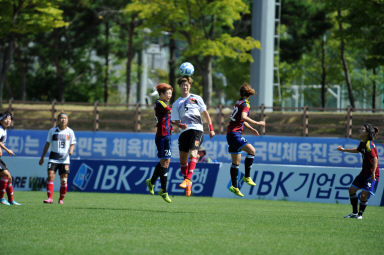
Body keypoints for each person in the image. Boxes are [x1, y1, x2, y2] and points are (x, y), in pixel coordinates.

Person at [171, 76, 215, 197]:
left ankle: (187, 180)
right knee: (182, 160)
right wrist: (180, 124)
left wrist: (211, 129)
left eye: (187, 85)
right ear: (179, 87)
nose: (185, 87)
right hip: (184, 132)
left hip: (197, 130)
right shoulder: (176, 103)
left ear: (189, 86)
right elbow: (173, 120)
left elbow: (205, 113)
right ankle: (188, 181)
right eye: (182, 85)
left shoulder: (196, 98)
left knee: (194, 153)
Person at [226, 83, 265, 197]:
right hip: (235, 134)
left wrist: (251, 128)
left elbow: (240, 120)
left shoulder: (238, 102)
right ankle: (247, 176)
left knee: (236, 163)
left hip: (230, 134)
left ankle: (234, 186)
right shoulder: (246, 104)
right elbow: (243, 117)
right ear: (249, 94)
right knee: (252, 151)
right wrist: (257, 123)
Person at [337, 123, 380, 220]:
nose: (360, 130)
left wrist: (373, 173)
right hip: (364, 173)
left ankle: (360, 215)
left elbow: (375, 159)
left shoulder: (369, 144)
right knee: (352, 190)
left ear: (367, 132)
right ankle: (354, 213)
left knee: (364, 195)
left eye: (363, 129)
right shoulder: (363, 142)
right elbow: (357, 150)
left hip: (372, 174)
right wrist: (344, 150)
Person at [39, 112, 76, 204]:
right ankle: (50, 198)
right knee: (50, 176)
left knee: (64, 180)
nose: (63, 120)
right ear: (58, 120)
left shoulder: (70, 131)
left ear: (67, 120)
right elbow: (47, 144)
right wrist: (42, 157)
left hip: (64, 159)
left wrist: (71, 150)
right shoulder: (52, 131)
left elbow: (73, 143)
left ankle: (61, 199)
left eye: (65, 118)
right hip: (53, 157)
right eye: (61, 118)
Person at [146, 83, 174, 203]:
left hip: (167, 135)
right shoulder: (160, 103)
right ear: (161, 94)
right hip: (162, 136)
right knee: (165, 162)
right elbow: (171, 111)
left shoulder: (164, 103)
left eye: (170, 94)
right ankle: (164, 190)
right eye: (167, 93)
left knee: (165, 161)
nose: (169, 96)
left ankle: (151, 182)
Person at [0, 112, 21, 205]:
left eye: (10, 119)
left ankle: (11, 200)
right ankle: (2, 199)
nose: (8, 121)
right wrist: (7, 150)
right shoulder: (0, 130)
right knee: (6, 175)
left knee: (9, 178)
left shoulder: (4, 130)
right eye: (6, 119)